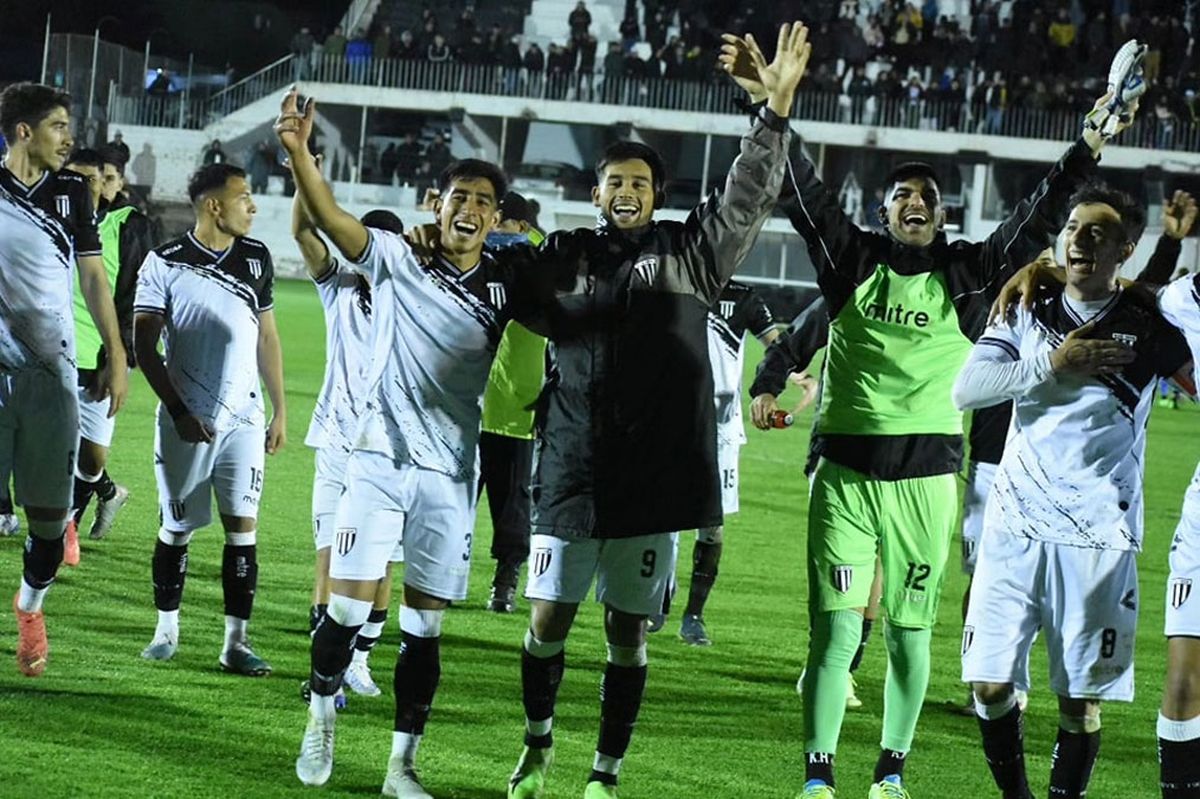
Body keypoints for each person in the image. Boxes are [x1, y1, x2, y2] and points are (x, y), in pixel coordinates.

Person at [724, 26, 1138, 796]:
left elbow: (1041, 210)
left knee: (910, 634)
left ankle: (890, 773)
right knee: (835, 630)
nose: (914, 202)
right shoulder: (851, 260)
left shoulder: (971, 272)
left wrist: (1090, 141)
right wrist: (770, 105)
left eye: (926, 196)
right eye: (901, 195)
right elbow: (800, 189)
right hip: (844, 479)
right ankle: (818, 778)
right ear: (882, 211)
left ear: (942, 214)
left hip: (926, 483)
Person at [504, 22, 804, 799]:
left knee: (627, 630)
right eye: (614, 181)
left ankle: (603, 775)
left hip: (650, 484)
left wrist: (770, 112)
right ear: (595, 193)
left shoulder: (689, 255)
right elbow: (496, 280)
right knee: (546, 621)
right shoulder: (564, 256)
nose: (626, 191)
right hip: (570, 473)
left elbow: (745, 196)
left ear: (655, 195)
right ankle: (537, 746)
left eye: (639, 182)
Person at [277, 86, 532, 797]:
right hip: (378, 461)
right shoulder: (394, 256)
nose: (468, 209)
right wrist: (300, 154)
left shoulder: (508, 284)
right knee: (346, 610)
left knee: (424, 627)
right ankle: (320, 715)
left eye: (483, 201)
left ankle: (401, 765)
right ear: (435, 203)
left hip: (450, 476)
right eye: (458, 197)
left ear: (496, 218)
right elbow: (328, 218)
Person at [955, 184, 1190, 799]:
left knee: (1080, 702)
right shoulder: (1025, 307)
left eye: (1097, 232)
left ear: (1125, 250)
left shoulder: (1152, 328)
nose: (1079, 239)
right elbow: (967, 389)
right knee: (988, 685)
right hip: (1012, 527)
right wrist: (1053, 364)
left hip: (1097, 536)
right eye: (1072, 228)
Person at [133, 163, 286, 676]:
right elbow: (144, 345)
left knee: (243, 527)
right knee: (177, 525)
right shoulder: (165, 262)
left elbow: (267, 336)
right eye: (244, 197)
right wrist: (178, 411)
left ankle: (235, 644)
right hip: (187, 421)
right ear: (214, 206)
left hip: (244, 418)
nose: (253, 206)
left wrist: (280, 408)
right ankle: (166, 630)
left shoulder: (256, 257)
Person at [1, 82, 129, 677]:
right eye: (57, 126)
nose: (68, 139)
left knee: (50, 527)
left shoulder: (73, 192)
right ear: (23, 131)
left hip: (51, 380)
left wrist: (116, 353)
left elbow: (95, 279)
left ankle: (30, 608)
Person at [296, 186, 407, 699]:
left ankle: (359, 660)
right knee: (328, 556)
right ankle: (325, 672)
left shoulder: (410, 300)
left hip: (386, 449)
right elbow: (303, 231)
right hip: (337, 441)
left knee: (378, 564)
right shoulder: (336, 285)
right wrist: (304, 170)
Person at [658, 281, 779, 646]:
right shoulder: (678, 287)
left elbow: (778, 345)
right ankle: (658, 600)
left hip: (722, 431)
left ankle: (694, 616)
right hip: (672, 423)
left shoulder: (743, 297)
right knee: (663, 518)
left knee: (712, 526)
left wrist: (795, 375)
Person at [62, 147, 151, 557]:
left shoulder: (128, 225)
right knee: (46, 445)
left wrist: (119, 358)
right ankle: (65, 528)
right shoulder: (51, 217)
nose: (83, 188)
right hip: (52, 353)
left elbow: (135, 296)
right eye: (74, 179)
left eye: (92, 180)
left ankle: (106, 492)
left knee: (92, 457)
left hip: (100, 357)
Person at [479, 191, 547, 614]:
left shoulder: (544, 267)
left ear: (521, 228)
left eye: (499, 222)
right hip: (467, 404)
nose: (492, 229)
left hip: (516, 406)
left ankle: (505, 580)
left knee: (512, 503)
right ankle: (443, 572)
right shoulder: (476, 259)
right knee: (451, 497)